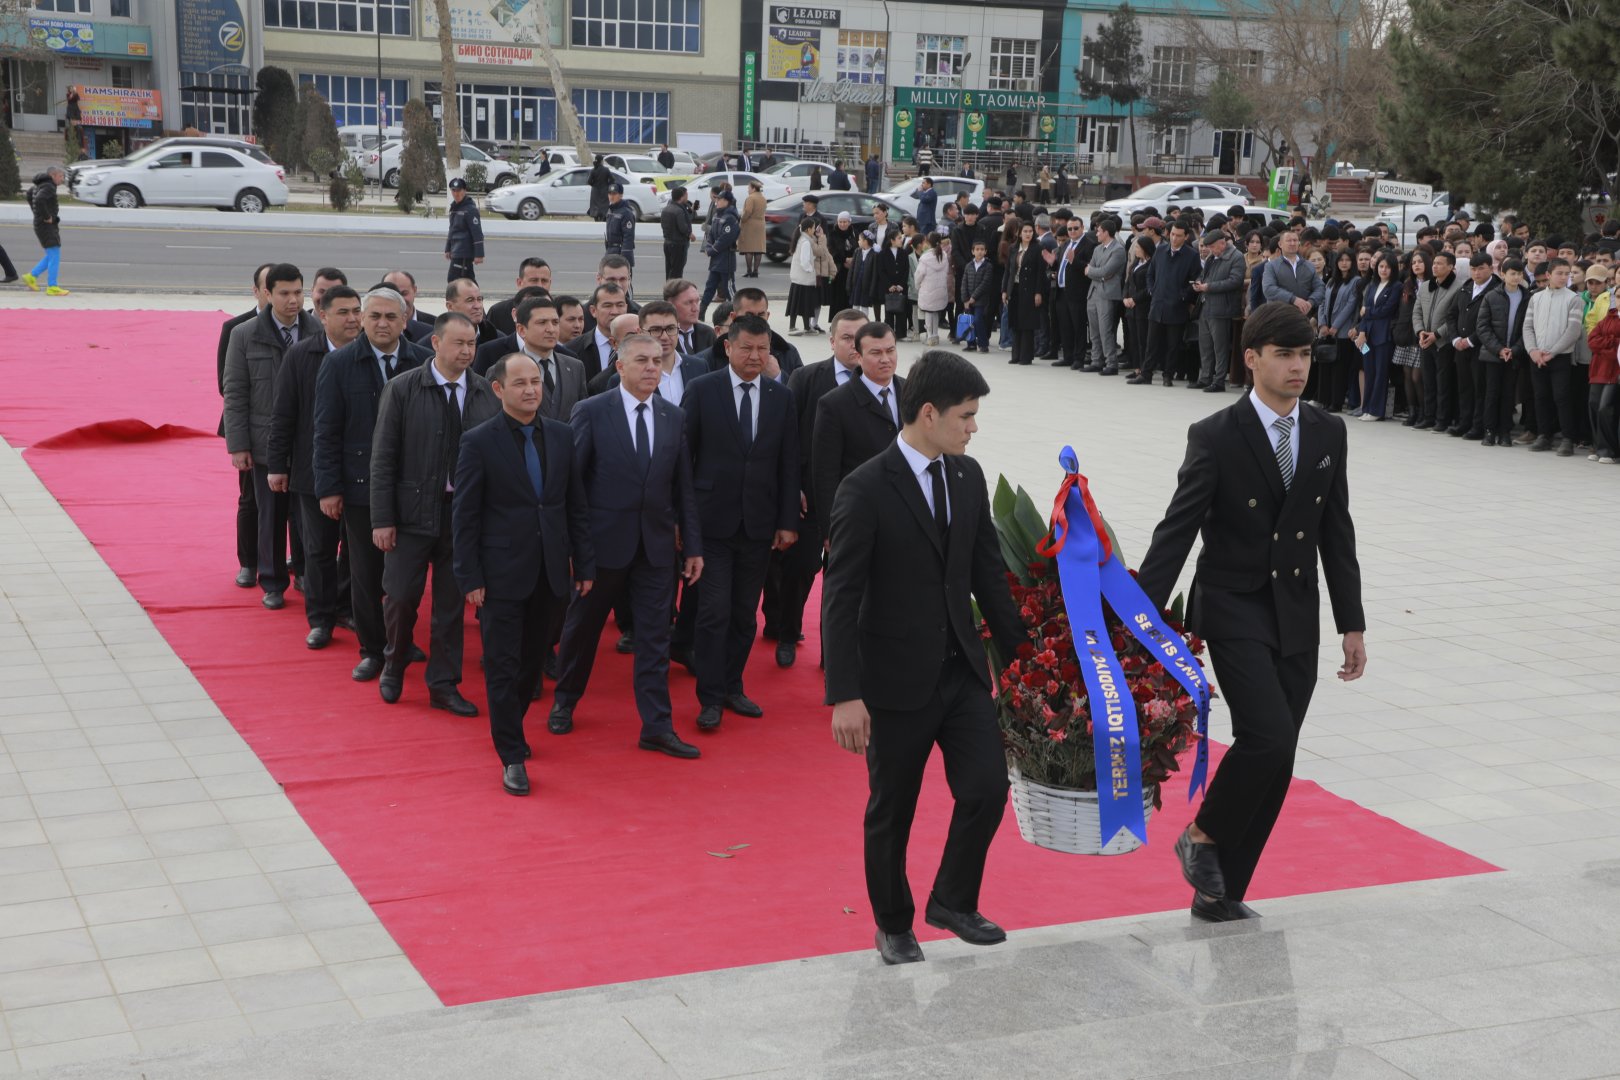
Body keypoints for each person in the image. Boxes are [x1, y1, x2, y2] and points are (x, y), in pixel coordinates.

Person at [1137, 301, 1366, 922]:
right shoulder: (1214, 435)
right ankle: (1202, 836)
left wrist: (1353, 622)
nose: (1298, 367)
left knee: (1280, 755)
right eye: (1285, 355)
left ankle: (1220, 892)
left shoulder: (1327, 431)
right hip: (1233, 605)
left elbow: (1335, 531)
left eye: (1306, 355)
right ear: (1252, 358)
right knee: (1265, 737)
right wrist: (1140, 618)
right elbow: (1177, 530)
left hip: (1296, 611)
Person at [822, 349, 1023, 966]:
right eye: (965, 416)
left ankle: (952, 900)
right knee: (893, 810)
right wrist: (845, 694)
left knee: (987, 789)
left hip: (960, 671)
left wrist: (1024, 666)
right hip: (893, 682)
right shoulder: (865, 488)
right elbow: (840, 594)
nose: (973, 427)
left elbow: (989, 577)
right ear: (929, 414)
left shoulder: (966, 476)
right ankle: (892, 923)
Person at [549, 335, 704, 759]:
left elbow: (683, 487)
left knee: (655, 638)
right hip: (601, 548)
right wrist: (574, 548)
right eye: (642, 360)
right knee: (581, 629)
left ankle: (656, 725)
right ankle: (565, 700)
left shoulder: (674, 417)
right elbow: (573, 487)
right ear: (620, 366)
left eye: (658, 360)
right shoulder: (592, 411)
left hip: (655, 550)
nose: (652, 368)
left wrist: (692, 545)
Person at [452, 352, 595, 796]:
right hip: (499, 573)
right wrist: (469, 576)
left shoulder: (562, 434)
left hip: (551, 571)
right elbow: (465, 515)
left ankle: (509, 723)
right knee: (501, 663)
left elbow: (575, 506)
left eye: (536, 381)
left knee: (532, 665)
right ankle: (511, 753)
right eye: (520, 383)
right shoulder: (478, 441)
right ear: (498, 390)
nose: (532, 390)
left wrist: (585, 563)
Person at [369, 311, 499, 713]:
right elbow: (383, 457)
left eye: (472, 344)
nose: (466, 351)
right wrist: (382, 519)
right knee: (402, 596)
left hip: (461, 519)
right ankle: (394, 660)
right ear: (436, 343)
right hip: (410, 515)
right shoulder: (403, 388)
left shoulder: (484, 393)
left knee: (450, 605)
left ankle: (443, 683)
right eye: (458, 343)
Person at [682, 315, 800, 730]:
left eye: (763, 349)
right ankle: (710, 697)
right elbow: (684, 460)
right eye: (747, 347)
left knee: (744, 615)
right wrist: (685, 522)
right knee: (713, 612)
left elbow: (789, 464)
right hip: (712, 524)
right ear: (728, 347)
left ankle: (733, 685)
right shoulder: (702, 391)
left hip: (759, 526)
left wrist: (788, 521)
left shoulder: (780, 397)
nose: (755, 356)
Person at [313, 288, 430, 682]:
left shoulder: (422, 360)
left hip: (412, 488)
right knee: (365, 573)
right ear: (362, 319)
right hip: (361, 487)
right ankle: (372, 649)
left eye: (391, 317)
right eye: (375, 316)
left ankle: (401, 640)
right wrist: (328, 488)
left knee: (405, 576)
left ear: (405, 319)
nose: (383, 324)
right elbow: (325, 431)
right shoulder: (339, 363)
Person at [267, 284, 363, 650]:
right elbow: (284, 415)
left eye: (357, 311)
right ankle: (320, 619)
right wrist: (278, 465)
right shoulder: (302, 356)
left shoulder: (369, 355)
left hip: (359, 473)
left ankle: (348, 607)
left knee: (356, 551)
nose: (353, 318)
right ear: (322, 316)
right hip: (313, 473)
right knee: (319, 550)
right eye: (344, 312)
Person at [223, 262, 321, 610]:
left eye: (298, 292)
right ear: (267, 294)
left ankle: (306, 573)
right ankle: (273, 580)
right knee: (270, 516)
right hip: (265, 445)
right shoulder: (244, 334)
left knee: (306, 517)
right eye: (284, 293)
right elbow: (235, 393)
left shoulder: (316, 330)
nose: (293, 300)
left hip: (307, 443)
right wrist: (238, 445)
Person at [1523, 258, 1585, 455]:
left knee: (1562, 397)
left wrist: (1552, 353)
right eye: (1560, 273)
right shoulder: (1536, 298)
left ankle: (1567, 438)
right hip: (1537, 356)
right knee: (1541, 397)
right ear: (1548, 275)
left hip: (1560, 357)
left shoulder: (1573, 299)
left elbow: (1573, 331)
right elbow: (1527, 326)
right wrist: (1533, 350)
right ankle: (1544, 435)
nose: (1564, 277)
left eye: (1567, 274)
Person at [1133, 220, 1202, 385]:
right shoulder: (1161, 250)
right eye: (1172, 234)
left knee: (1173, 344)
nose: (1174, 239)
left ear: (1186, 237)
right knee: (1152, 342)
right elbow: (1151, 273)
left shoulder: (1191, 255)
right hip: (1157, 303)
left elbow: (1195, 281)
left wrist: (1183, 296)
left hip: (1177, 306)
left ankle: (1168, 375)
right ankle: (1146, 373)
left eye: (1178, 236)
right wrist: (1152, 290)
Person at [1477, 256, 1531, 446]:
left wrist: (1514, 349)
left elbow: (1528, 328)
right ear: (1502, 274)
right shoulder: (1491, 296)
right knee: (1492, 393)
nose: (1516, 277)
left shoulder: (1527, 297)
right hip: (1493, 355)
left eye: (1519, 274)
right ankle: (1490, 431)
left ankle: (1505, 431)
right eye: (1512, 274)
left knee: (1509, 394)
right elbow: (1482, 327)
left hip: (1514, 355)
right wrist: (1499, 349)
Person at [1444, 252, 1500, 436]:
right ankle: (1464, 422)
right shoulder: (1465, 287)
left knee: (1479, 388)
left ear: (1491, 268)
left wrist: (1470, 340)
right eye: (1473, 269)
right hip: (1460, 346)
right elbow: (1451, 315)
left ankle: (1478, 426)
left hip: (1481, 348)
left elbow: (1491, 322)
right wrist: (1454, 339)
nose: (1477, 273)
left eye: (1481, 269)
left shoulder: (1496, 289)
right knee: (1464, 387)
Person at [1413, 250, 1463, 431]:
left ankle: (1443, 419)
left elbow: (1455, 318)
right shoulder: (1426, 285)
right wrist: (1420, 331)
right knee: (1428, 381)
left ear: (1451, 267)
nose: (1435, 266)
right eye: (1434, 263)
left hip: (1444, 343)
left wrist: (1437, 335)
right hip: (1425, 341)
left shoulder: (1458, 287)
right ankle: (1428, 416)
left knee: (1444, 383)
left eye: (1440, 264)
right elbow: (1417, 311)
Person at [1194, 228, 1245, 392]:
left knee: (1220, 346)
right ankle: (1205, 377)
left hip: (1222, 307)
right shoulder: (1212, 257)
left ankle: (1219, 380)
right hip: (1206, 305)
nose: (1210, 250)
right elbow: (1204, 275)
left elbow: (1235, 281)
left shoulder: (1235, 257)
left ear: (1222, 243)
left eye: (1213, 247)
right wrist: (1198, 283)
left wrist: (1209, 287)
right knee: (1205, 344)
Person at [1355, 251, 1402, 421]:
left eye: (1388, 267)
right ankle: (1366, 407)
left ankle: (1376, 410)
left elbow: (1386, 310)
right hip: (1367, 335)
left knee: (1381, 373)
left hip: (1383, 336)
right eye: (1381, 266)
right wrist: (1361, 332)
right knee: (1369, 371)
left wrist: (1367, 311)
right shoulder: (1373, 285)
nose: (1383, 270)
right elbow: (1365, 312)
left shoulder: (1396, 286)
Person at [1082, 215, 1127, 376]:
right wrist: (1097, 274)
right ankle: (1096, 360)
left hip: (1108, 294)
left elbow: (1107, 271)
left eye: (1099, 231)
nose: (1096, 234)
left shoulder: (1118, 250)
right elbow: (1092, 270)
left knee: (1105, 330)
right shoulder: (1097, 249)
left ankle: (1111, 362)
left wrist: (1095, 272)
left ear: (1106, 232)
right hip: (1093, 292)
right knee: (1094, 330)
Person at [1052, 215, 1095, 369]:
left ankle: (1079, 357)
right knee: (1065, 326)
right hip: (1062, 291)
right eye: (1070, 229)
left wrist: (1074, 261)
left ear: (1082, 228)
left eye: (1075, 228)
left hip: (1078, 292)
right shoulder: (1066, 244)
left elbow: (1089, 268)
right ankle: (1068, 356)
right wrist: (1052, 264)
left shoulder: (1089, 245)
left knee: (1078, 326)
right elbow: (1061, 265)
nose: (1072, 231)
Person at [1001, 221, 1045, 367]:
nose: (1028, 234)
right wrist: (1004, 290)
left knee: (1027, 323)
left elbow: (1040, 272)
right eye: (1025, 231)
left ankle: (1026, 356)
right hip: (1015, 288)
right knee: (1015, 322)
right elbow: (1008, 271)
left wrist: (1038, 292)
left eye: (1030, 231)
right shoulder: (1013, 248)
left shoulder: (1037, 248)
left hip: (1030, 289)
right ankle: (1016, 354)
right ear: (1019, 233)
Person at [565, 282, 628, 381]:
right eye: (607, 306)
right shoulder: (572, 350)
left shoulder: (641, 346)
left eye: (620, 305)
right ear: (593, 311)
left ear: (626, 308)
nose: (615, 311)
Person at [22, 167, 68, 295]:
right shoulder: (49, 186)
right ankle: (52, 287)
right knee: (54, 254)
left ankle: (31, 277)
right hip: (46, 226)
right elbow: (40, 199)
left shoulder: (40, 185)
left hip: (42, 225)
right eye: (61, 176)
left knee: (52, 255)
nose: (62, 179)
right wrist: (47, 216)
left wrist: (37, 213)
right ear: (53, 175)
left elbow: (29, 194)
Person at [699, 188, 740, 320]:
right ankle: (701, 312)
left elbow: (726, 239)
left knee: (729, 289)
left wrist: (711, 250)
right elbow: (711, 234)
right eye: (716, 199)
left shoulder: (730, 218)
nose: (717, 202)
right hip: (716, 260)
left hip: (726, 260)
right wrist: (708, 246)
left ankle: (739, 313)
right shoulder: (718, 216)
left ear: (726, 201)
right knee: (709, 287)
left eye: (720, 199)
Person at [485, 258, 551, 336]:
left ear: (550, 283)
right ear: (519, 283)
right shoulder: (498, 312)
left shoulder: (559, 311)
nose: (540, 286)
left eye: (544, 281)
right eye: (534, 280)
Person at [787, 217, 828, 336]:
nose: (815, 230)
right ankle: (796, 328)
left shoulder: (801, 239)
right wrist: (810, 270)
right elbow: (804, 261)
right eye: (814, 228)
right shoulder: (805, 242)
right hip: (804, 279)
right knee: (806, 304)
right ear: (809, 229)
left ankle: (800, 327)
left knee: (797, 304)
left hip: (798, 279)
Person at [444, 178, 484, 283]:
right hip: (456, 250)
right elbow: (452, 229)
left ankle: (476, 298)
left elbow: (477, 233)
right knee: (466, 281)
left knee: (454, 281)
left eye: (459, 190)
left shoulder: (470, 209)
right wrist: (448, 248)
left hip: (464, 252)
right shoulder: (454, 208)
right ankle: (476, 298)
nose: (456, 193)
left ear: (464, 191)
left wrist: (479, 254)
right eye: (454, 190)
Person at [914, 233, 951, 346]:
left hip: (928, 289)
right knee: (935, 312)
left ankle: (930, 336)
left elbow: (919, 274)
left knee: (928, 313)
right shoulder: (943, 255)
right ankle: (935, 335)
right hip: (940, 289)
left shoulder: (925, 258)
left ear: (928, 242)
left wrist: (917, 285)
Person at [665, 278, 716, 357]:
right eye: (688, 303)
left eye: (697, 301)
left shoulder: (708, 333)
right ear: (670, 305)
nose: (695, 308)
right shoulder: (661, 336)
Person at [384, 269, 434, 344]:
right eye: (392, 295)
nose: (399, 300)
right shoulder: (374, 329)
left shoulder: (435, 326)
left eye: (404, 293)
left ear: (414, 290)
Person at [661, 186, 694, 281]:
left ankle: (668, 290)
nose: (687, 197)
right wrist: (690, 234)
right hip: (678, 244)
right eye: (686, 195)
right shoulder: (679, 211)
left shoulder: (666, 209)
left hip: (667, 243)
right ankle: (674, 292)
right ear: (682, 197)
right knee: (677, 271)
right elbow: (683, 227)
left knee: (669, 269)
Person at [739, 180, 767, 278]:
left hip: (750, 224)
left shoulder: (751, 198)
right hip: (760, 224)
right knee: (758, 249)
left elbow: (747, 211)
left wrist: (742, 219)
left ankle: (749, 271)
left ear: (754, 188)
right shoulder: (763, 198)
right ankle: (756, 271)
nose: (748, 190)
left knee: (749, 249)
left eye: (749, 188)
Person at [604, 183, 637, 266]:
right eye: (610, 194)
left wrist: (624, 256)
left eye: (614, 194)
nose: (611, 196)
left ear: (621, 195)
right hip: (610, 250)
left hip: (620, 251)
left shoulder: (626, 213)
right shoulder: (611, 210)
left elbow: (628, 236)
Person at [587, 154, 613, 221]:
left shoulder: (593, 170)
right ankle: (603, 218)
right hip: (604, 191)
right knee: (604, 205)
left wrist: (594, 185)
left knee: (595, 206)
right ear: (601, 161)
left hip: (595, 192)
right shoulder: (606, 170)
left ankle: (596, 218)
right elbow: (612, 179)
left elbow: (589, 181)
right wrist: (608, 185)